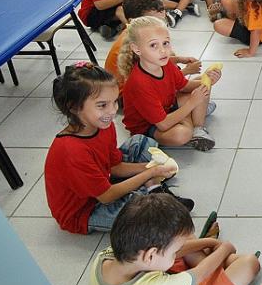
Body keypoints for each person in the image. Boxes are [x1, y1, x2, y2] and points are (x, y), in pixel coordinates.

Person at [44, 63, 191, 235]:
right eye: (102, 105)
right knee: (139, 213)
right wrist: (150, 173)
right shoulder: (71, 150)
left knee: (141, 141)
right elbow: (106, 196)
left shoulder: (104, 125)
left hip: (104, 181)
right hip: (87, 210)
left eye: (114, 102)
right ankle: (153, 193)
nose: (113, 111)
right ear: (74, 107)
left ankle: (151, 190)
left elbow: (115, 166)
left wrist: (150, 167)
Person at [89, 194, 260, 285]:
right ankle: (221, 261)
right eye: (173, 253)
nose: (175, 253)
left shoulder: (106, 256)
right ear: (150, 255)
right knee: (249, 264)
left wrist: (208, 243)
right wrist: (224, 248)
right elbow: (201, 272)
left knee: (181, 236)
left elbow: (178, 251)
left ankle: (216, 259)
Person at [119, 16, 221, 151]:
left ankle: (198, 128)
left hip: (168, 108)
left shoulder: (165, 63)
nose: (163, 51)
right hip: (150, 126)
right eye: (153, 45)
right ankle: (195, 115)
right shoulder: (139, 83)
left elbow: (184, 86)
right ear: (137, 49)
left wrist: (209, 80)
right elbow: (163, 124)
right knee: (182, 134)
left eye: (165, 43)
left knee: (201, 85)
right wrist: (192, 103)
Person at [104, 0, 201, 94]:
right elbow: (149, 80)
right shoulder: (136, 45)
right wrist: (186, 71)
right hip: (127, 94)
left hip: (138, 84)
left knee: (169, 55)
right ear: (134, 20)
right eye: (151, 21)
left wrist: (180, 59)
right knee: (196, 96)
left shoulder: (136, 33)